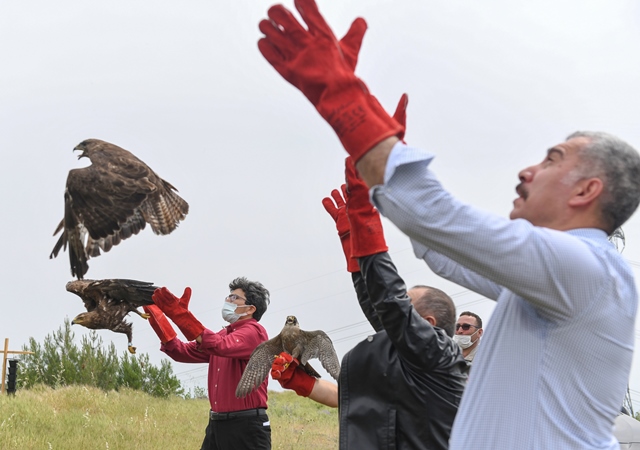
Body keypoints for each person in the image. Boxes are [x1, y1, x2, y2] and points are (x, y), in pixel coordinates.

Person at [257, 1, 640, 448]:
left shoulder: (584, 267)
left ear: (586, 191)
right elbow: (437, 247)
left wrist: (347, 103)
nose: (526, 171)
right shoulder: (557, 282)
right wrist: (373, 177)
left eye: (551, 160)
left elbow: (436, 218)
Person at [271, 159, 468, 449]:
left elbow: (387, 300)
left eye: (406, 306)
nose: (393, 311)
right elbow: (376, 303)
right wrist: (351, 241)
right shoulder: (401, 357)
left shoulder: (438, 358)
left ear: (428, 326)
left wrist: (365, 223)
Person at [144, 278, 271, 450]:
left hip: (246, 426)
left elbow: (218, 345)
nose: (228, 300)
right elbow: (182, 351)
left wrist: (179, 314)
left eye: (234, 298)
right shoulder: (224, 334)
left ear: (250, 309)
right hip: (217, 424)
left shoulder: (254, 332)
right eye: (228, 296)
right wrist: (159, 320)